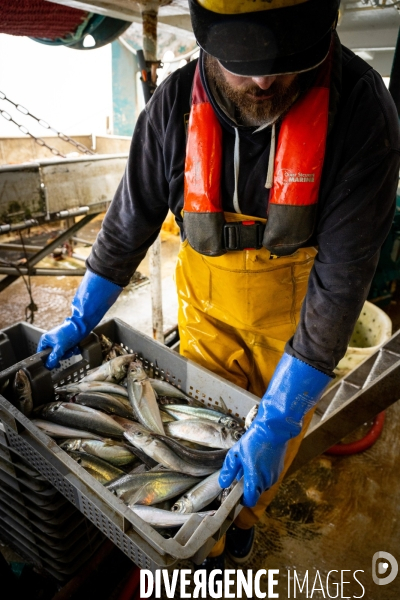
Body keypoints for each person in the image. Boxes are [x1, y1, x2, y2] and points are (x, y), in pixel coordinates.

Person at [38, 0, 400, 572]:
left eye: (286, 64)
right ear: (207, 45)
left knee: (264, 460)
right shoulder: (172, 105)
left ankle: (243, 534)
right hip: (204, 312)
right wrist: (81, 316)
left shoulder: (360, 108)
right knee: (198, 446)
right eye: (244, 63)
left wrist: (279, 417)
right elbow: (127, 224)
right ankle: (199, 544)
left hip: (298, 332)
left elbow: (343, 281)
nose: (263, 79)